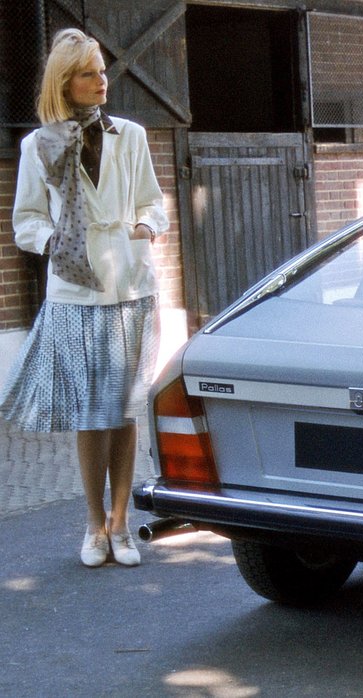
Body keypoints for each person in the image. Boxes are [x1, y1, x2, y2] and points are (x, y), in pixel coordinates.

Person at [1, 28, 169, 567]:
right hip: (74, 293)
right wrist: (54, 241)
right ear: (65, 82)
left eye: (103, 70)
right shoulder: (39, 145)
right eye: (89, 72)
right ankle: (93, 525)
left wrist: (145, 226)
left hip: (128, 287)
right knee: (88, 413)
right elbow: (25, 219)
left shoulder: (131, 135)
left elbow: (154, 203)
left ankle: (122, 525)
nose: (103, 80)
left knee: (121, 409)